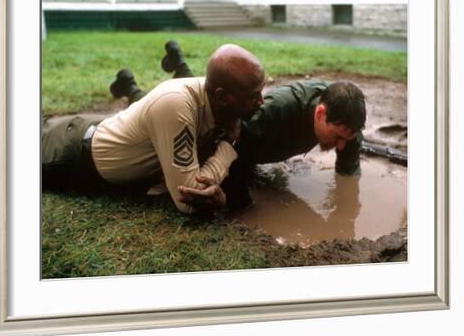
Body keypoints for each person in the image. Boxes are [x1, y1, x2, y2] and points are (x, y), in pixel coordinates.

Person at [110, 41, 366, 210]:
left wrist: (345, 204)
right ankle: (131, 87)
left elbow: (348, 172)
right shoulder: (270, 115)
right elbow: (228, 144)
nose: (341, 145)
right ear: (320, 114)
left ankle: (178, 63)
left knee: (201, 100)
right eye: (337, 137)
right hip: (226, 124)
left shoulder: (348, 123)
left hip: (235, 116)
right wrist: (238, 201)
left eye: (348, 138)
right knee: (185, 115)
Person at [42, 43, 265, 214]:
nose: (261, 101)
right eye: (254, 96)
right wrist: (228, 145)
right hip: (71, 155)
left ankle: (127, 83)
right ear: (222, 97)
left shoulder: (214, 97)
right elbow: (187, 201)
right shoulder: (176, 104)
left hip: (108, 127)